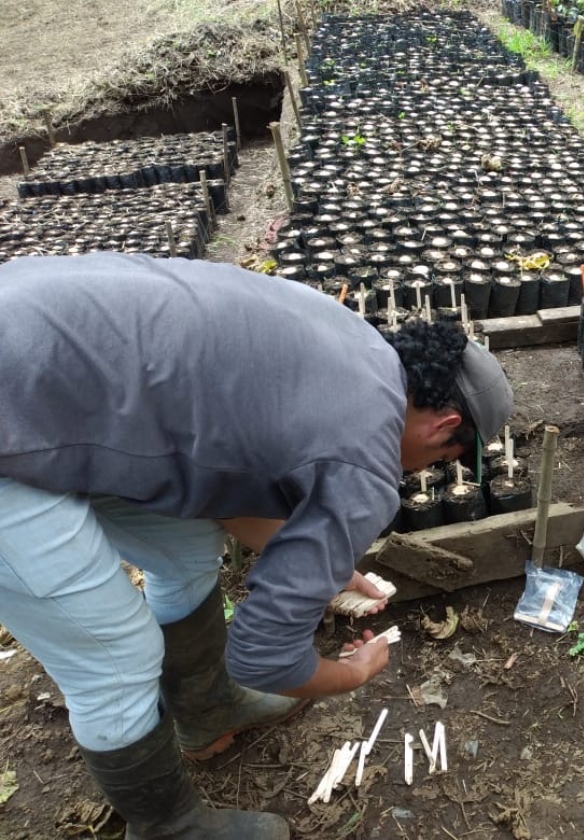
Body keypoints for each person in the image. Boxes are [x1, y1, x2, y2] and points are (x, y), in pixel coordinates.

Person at [0, 251, 513, 838]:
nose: (427, 469)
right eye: (444, 460)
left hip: (46, 357)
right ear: (445, 425)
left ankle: (207, 706)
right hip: (16, 414)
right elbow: (264, 657)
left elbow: (221, 485)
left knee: (186, 552)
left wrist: (323, 563)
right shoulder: (365, 460)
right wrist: (348, 673)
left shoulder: (356, 346)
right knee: (115, 658)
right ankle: (170, 828)